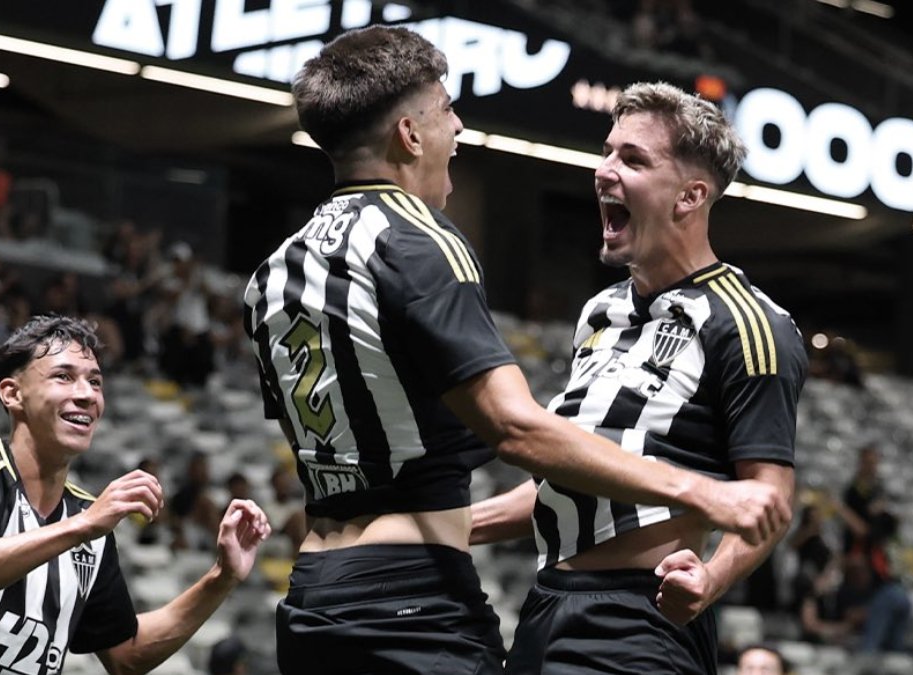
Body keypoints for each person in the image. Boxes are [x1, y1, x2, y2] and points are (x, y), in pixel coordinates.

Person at [243, 28, 790, 675]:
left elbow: (759, 497)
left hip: (316, 590)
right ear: (411, 136)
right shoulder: (421, 240)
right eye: (447, 110)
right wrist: (703, 493)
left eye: (631, 157)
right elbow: (518, 429)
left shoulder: (274, 269)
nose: (460, 127)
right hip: (411, 597)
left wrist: (714, 561)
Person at [470, 82, 808, 674]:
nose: (604, 171)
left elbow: (768, 500)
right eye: (607, 151)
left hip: (638, 620)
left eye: (633, 159)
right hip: (545, 606)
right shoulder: (600, 311)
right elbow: (572, 478)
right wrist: (450, 528)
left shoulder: (752, 324)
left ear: (690, 195)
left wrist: (711, 579)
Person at [0, 315, 271, 674]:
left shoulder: (86, 525)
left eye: (95, 382)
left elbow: (126, 655)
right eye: (64, 377)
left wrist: (221, 577)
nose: (87, 395)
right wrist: (82, 526)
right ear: (12, 394)